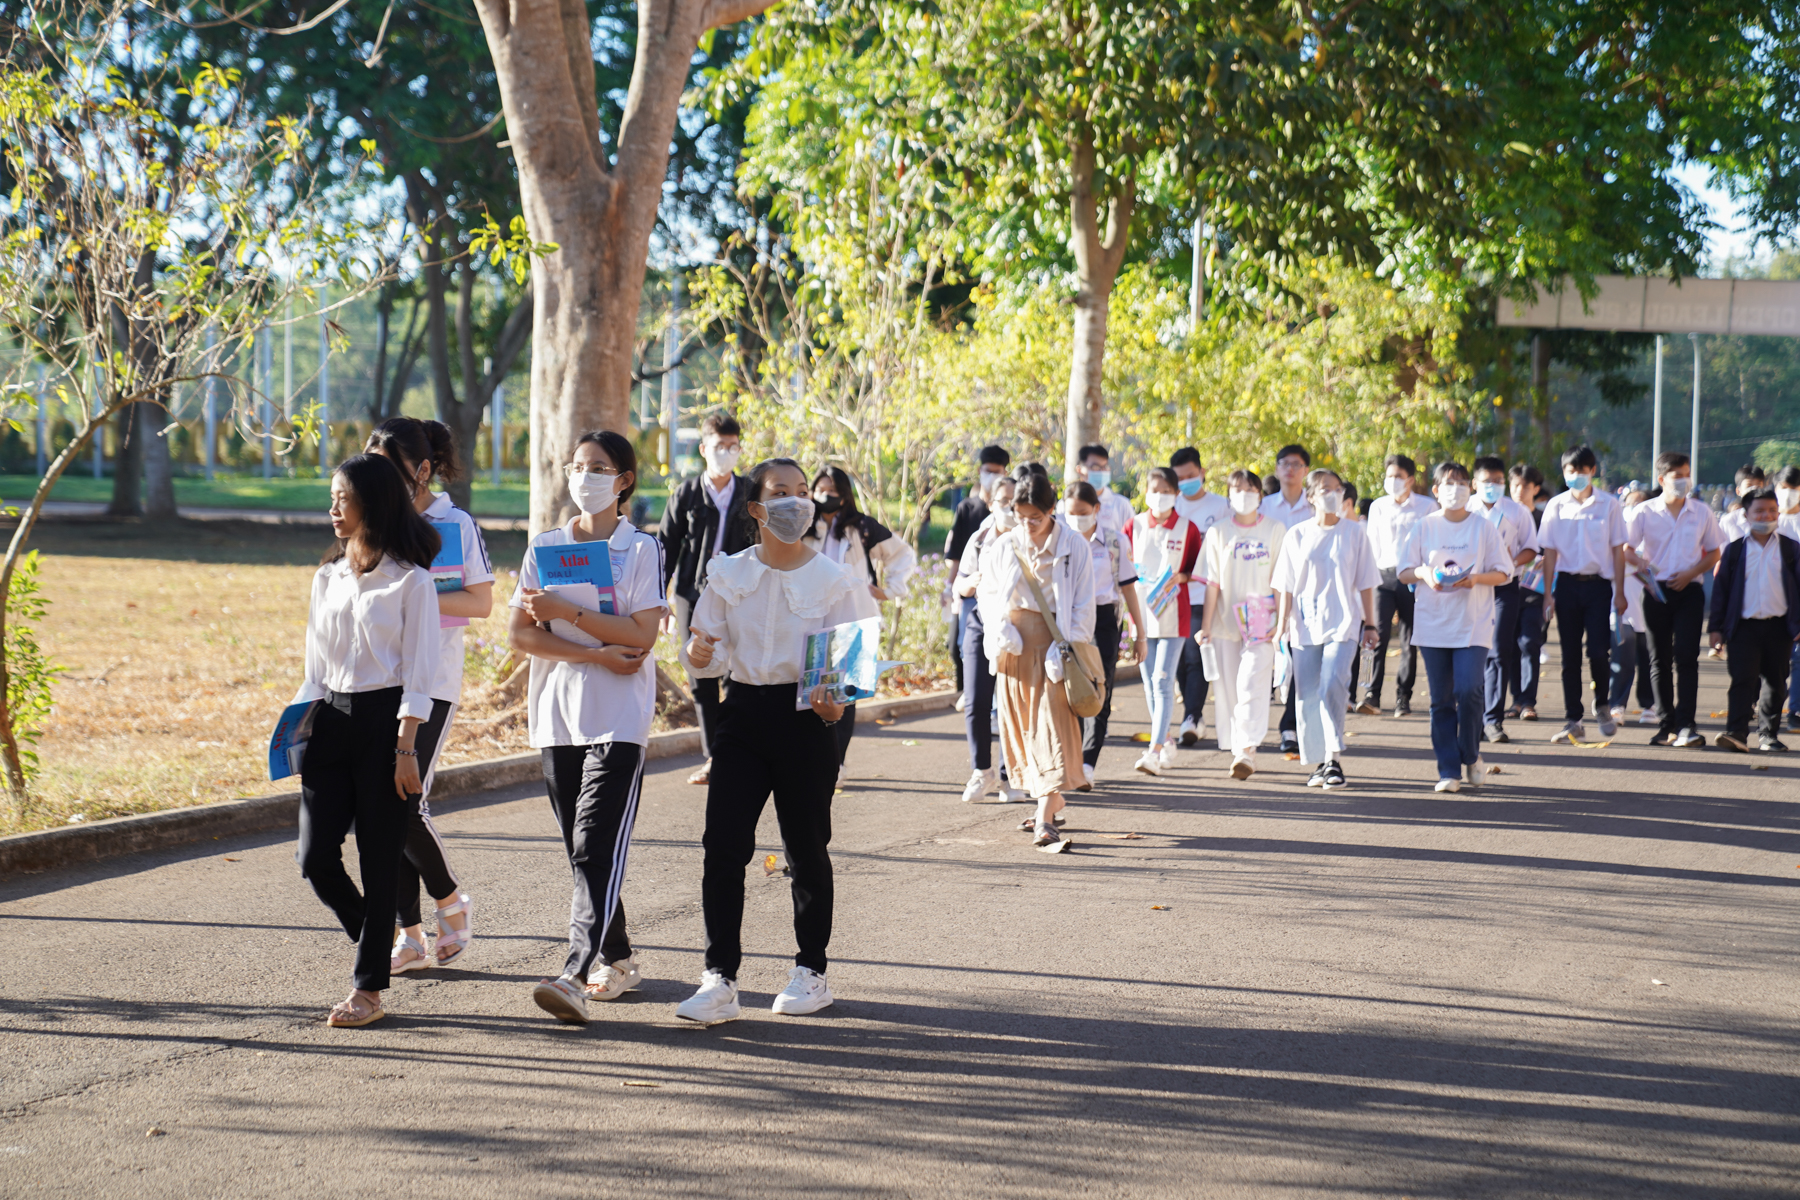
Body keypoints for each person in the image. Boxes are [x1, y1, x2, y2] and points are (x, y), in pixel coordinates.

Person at [676, 459, 879, 1024]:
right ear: (757, 508)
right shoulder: (728, 572)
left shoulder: (837, 582)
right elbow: (709, 650)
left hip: (805, 721)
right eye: (779, 493)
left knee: (806, 850)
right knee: (723, 848)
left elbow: (848, 678)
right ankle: (719, 979)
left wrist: (834, 703)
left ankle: (810, 972)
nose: (795, 503)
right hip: (741, 713)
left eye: (800, 493)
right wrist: (697, 654)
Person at [509, 431, 667, 1024]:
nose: (585, 476)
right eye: (577, 466)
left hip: (619, 716)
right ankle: (619, 958)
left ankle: (574, 971)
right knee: (580, 851)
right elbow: (522, 637)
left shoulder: (640, 549)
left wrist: (568, 616)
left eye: (599, 467)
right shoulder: (544, 547)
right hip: (556, 715)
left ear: (624, 480)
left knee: (594, 843)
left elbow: (644, 634)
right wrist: (598, 649)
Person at [292, 454, 442, 1028]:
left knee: (380, 863)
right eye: (331, 497)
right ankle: (374, 945)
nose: (332, 508)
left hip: (386, 727)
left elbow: (419, 674)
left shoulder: (412, 582)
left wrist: (406, 749)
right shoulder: (326, 576)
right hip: (328, 720)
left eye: (341, 498)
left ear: (372, 504)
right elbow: (312, 667)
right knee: (314, 858)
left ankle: (367, 990)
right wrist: (296, 730)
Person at [362, 419, 493, 977]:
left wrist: (417, 601)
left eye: (387, 466)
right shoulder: (374, 520)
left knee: (404, 803)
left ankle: (450, 901)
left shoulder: (454, 523)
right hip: (375, 680)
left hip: (431, 680)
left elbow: (480, 602)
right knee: (381, 807)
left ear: (420, 468)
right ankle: (410, 936)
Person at [978, 472, 1095, 849]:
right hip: (1014, 645)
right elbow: (988, 592)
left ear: (1051, 510)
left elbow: (1082, 605)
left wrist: (1068, 646)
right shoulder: (1003, 545)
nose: (1028, 525)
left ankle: (1046, 818)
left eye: (1036, 518)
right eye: (1022, 517)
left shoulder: (1074, 546)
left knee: (1053, 726)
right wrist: (1000, 631)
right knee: (1024, 729)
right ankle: (1052, 798)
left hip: (1055, 645)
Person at [1398, 462, 1513, 792]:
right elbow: (1405, 571)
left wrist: (1475, 579)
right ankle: (1448, 769)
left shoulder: (1483, 528)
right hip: (1433, 624)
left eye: (1463, 483)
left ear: (1471, 489)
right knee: (1441, 701)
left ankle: (1470, 753)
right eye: (1450, 483)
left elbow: (1504, 572)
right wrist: (1424, 574)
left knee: (1469, 690)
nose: (1457, 488)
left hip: (1472, 623)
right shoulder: (1424, 526)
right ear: (1436, 490)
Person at [1270, 468, 1380, 789]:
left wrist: (1370, 624)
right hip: (1303, 627)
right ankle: (1319, 762)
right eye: (1323, 489)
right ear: (1311, 496)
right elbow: (1285, 586)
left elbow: (1367, 583)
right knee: (1305, 696)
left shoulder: (1355, 533)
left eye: (1336, 488)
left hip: (1343, 624)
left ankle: (1334, 758)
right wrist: (1281, 627)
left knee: (1333, 684)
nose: (1331, 494)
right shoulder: (1297, 535)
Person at [804, 466, 917, 775]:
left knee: (846, 694)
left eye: (833, 490)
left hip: (856, 620)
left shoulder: (861, 528)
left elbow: (902, 554)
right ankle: (813, 759)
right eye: (820, 489)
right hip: (812, 620)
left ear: (845, 495)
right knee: (812, 691)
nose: (826, 495)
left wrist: (888, 590)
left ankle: (836, 762)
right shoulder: (803, 525)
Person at [659, 412, 751, 787]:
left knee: (734, 674)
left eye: (732, 447)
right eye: (718, 447)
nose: (725, 453)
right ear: (703, 449)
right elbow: (665, 547)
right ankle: (714, 756)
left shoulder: (748, 492)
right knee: (701, 674)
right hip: (692, 596)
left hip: (738, 596)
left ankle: (734, 753)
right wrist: (657, 596)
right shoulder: (687, 494)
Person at [1625, 451, 1723, 749]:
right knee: (1659, 660)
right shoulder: (1643, 512)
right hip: (1656, 592)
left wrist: (1691, 572)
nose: (1683, 481)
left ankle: (1687, 725)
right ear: (1661, 479)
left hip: (1689, 591)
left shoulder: (1701, 511)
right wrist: (1640, 564)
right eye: (1676, 476)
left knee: (1686, 657)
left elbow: (1714, 552)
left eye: (1686, 475)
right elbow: (1627, 549)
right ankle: (1665, 725)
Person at [1198, 470, 1287, 779]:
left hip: (1262, 620)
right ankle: (1240, 746)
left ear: (1260, 494)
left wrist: (1282, 619)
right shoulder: (1218, 532)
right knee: (1229, 688)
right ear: (1228, 494)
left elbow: (1281, 580)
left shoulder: (1276, 530)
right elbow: (1212, 582)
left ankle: (1246, 749)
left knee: (1252, 682)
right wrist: (1206, 625)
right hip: (1225, 621)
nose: (1243, 494)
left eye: (1249, 489)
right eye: (1236, 489)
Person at [1537, 444, 1628, 745]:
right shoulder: (1556, 506)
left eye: (1582, 470)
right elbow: (1549, 552)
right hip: (1566, 585)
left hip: (1599, 586)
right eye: (1570, 470)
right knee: (1570, 655)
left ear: (1593, 471)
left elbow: (1618, 549)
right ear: (1564, 472)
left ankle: (1602, 704)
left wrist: (1620, 590)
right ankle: (1573, 719)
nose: (1576, 475)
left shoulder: (1609, 505)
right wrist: (1548, 593)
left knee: (1599, 651)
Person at [1066, 481, 1146, 785]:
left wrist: (1140, 633)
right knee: (1067, 689)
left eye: (1083, 512)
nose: (1076, 518)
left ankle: (1088, 763)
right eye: (1070, 513)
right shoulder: (1062, 541)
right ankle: (1069, 759)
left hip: (1103, 619)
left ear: (1096, 510)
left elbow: (1127, 587)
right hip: (1068, 618)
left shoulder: (1114, 542)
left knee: (1099, 689)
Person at [954, 475, 1028, 804]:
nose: (1008, 508)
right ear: (990, 503)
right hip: (979, 623)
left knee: (1011, 703)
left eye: (1014, 502)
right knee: (976, 701)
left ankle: (1008, 775)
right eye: (1002, 502)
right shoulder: (980, 537)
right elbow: (960, 586)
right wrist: (973, 580)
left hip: (1017, 628)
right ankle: (981, 771)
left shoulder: (1028, 537)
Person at [1709, 488, 1800, 752]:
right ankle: (1736, 732)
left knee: (1775, 682)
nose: (1767, 515)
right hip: (1743, 627)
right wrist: (1715, 628)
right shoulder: (1735, 551)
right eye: (1759, 511)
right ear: (1746, 516)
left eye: (1772, 510)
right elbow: (1721, 592)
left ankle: (1768, 735)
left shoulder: (1790, 549)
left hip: (1779, 626)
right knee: (1742, 680)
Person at [1125, 467, 1202, 775]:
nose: (1160, 495)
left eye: (1166, 490)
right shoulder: (1133, 525)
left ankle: (1154, 750)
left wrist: (1178, 578)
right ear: (1145, 491)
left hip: (1174, 611)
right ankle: (1166, 739)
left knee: (1162, 680)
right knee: (1148, 683)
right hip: (1141, 612)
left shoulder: (1188, 528)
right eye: (1154, 489)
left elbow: (1196, 566)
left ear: (1176, 493)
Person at [1468, 455, 1539, 744]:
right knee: (1472, 651)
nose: (1493, 486)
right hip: (1469, 589)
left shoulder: (1516, 511)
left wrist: (1509, 561)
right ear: (1474, 483)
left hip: (1505, 588)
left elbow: (1531, 549)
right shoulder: (1463, 510)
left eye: (1498, 482)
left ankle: (1492, 720)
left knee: (1498, 651)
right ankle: (1472, 716)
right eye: (1487, 481)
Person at [1361, 454, 1437, 718]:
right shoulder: (1378, 506)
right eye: (1389, 476)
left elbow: (1431, 544)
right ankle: (1372, 693)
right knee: (1376, 635)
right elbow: (1371, 545)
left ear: (1411, 480)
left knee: (1409, 639)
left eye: (1398, 476)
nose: (1393, 481)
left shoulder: (1427, 507)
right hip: (1382, 576)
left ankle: (1403, 697)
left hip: (1413, 577)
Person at [1171, 447, 1229, 748]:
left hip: (1203, 593)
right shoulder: (1172, 507)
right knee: (1180, 658)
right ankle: (1192, 713)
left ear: (1202, 472)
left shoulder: (1221, 506)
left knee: (1195, 654)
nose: (1186, 483)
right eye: (1180, 479)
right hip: (1171, 594)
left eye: (1191, 476)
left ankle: (1192, 717)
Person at [946, 445, 1012, 704]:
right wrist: (952, 587)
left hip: (1000, 596)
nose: (992, 476)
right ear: (979, 470)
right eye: (988, 471)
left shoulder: (1012, 511)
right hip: (969, 591)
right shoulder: (968, 508)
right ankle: (968, 691)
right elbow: (956, 556)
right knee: (958, 645)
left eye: (998, 472)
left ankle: (988, 700)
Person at [1263, 445, 1314, 755]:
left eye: (1296, 464)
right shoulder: (1265, 506)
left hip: (1305, 595)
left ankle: (1290, 726)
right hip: (1264, 595)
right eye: (1284, 464)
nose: (1290, 469)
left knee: (1299, 660)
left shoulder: (1316, 507)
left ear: (1305, 470)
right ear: (1278, 468)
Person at [1610, 487, 1655, 729]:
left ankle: (1649, 706)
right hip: (1621, 608)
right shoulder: (1617, 534)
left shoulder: (1654, 534)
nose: (1633, 508)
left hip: (1649, 608)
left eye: (1639, 504)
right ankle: (1617, 704)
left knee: (1650, 658)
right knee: (1621, 658)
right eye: (1629, 503)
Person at [1508, 463, 1549, 722]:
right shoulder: (1503, 516)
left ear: (1535, 488)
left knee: (1529, 644)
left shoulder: (1545, 518)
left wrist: (1547, 559)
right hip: (1507, 589)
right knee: (1509, 646)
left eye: (1525, 486)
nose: (1519, 491)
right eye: (1515, 486)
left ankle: (1528, 702)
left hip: (1536, 590)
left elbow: (1556, 548)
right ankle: (1515, 701)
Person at [1075, 443, 1137, 536]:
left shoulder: (1122, 505)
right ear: (1080, 470)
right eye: (1095, 467)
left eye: (1105, 467)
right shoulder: (1067, 505)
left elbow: (1132, 539)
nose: (1101, 471)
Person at [1719, 464, 1768, 540]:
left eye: (1758, 485)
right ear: (1738, 491)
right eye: (1749, 486)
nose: (1754, 489)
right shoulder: (1728, 522)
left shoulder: (1771, 519)